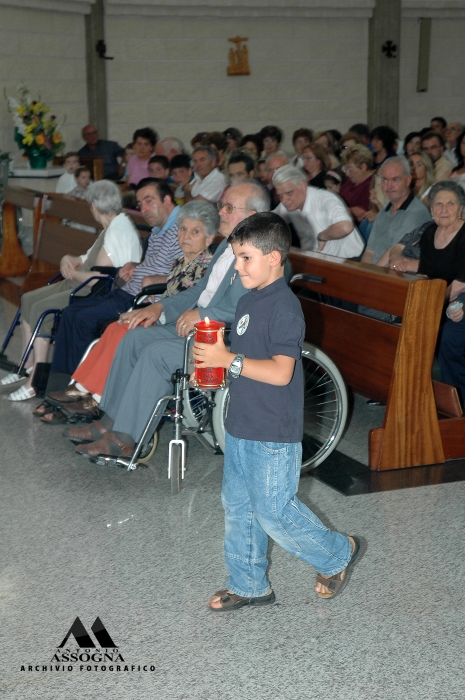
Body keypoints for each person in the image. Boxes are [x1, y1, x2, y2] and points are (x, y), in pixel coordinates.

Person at [189, 211, 361, 610]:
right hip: (241, 423)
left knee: (275, 513)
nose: (238, 265)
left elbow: (282, 373)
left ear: (274, 258)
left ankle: (337, 553)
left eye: (245, 256)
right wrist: (216, 368)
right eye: (235, 256)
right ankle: (249, 584)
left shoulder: (285, 307)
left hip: (271, 433)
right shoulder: (249, 299)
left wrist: (227, 359)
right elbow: (248, 361)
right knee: (239, 507)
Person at [62, 181, 270, 458]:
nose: (220, 212)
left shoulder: (261, 256)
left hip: (225, 338)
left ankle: (126, 439)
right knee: (134, 336)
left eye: (229, 208)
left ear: (253, 216)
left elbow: (251, 310)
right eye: (222, 206)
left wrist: (203, 314)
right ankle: (110, 422)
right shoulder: (226, 248)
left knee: (156, 353)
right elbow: (199, 290)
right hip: (197, 327)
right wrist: (159, 309)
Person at [48, 201, 218, 416]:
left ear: (209, 238)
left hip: (179, 325)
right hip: (162, 315)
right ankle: (83, 387)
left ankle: (100, 398)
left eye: (195, 232)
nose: (185, 236)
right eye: (183, 229)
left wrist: (151, 310)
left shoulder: (206, 266)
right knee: (114, 327)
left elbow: (186, 303)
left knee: (125, 333)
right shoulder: (179, 261)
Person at [2, 181, 142, 401]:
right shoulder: (112, 226)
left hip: (88, 292)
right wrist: (67, 259)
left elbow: (100, 280)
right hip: (76, 283)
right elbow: (85, 259)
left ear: (94, 206)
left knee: (40, 308)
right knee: (28, 299)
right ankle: (27, 363)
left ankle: (35, 380)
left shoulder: (118, 232)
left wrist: (73, 274)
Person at [45, 178, 182, 380]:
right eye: (140, 204)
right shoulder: (157, 232)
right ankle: (58, 385)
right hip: (127, 290)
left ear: (167, 200)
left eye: (149, 200)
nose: (144, 208)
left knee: (83, 319)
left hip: (139, 298)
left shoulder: (182, 230)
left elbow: (183, 275)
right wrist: (136, 267)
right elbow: (157, 264)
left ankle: (76, 385)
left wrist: (147, 277)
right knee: (70, 312)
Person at [273, 165, 364, 257]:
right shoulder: (288, 204)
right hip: (317, 261)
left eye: (289, 193)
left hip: (350, 261)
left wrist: (322, 236)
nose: (284, 200)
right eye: (280, 195)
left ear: (303, 185)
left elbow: (345, 227)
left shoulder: (325, 198)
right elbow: (267, 222)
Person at [361, 156, 431, 265]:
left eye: (395, 180)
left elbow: (394, 255)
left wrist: (370, 278)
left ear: (408, 180)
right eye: (384, 180)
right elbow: (370, 251)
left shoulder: (416, 213)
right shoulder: (383, 213)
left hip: (395, 276)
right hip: (375, 273)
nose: (389, 186)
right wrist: (363, 273)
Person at [340, 145, 375, 242]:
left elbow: (362, 212)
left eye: (350, 169)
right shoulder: (351, 181)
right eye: (346, 169)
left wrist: (338, 210)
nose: (347, 174)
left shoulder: (372, 183)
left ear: (363, 166)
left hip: (358, 229)